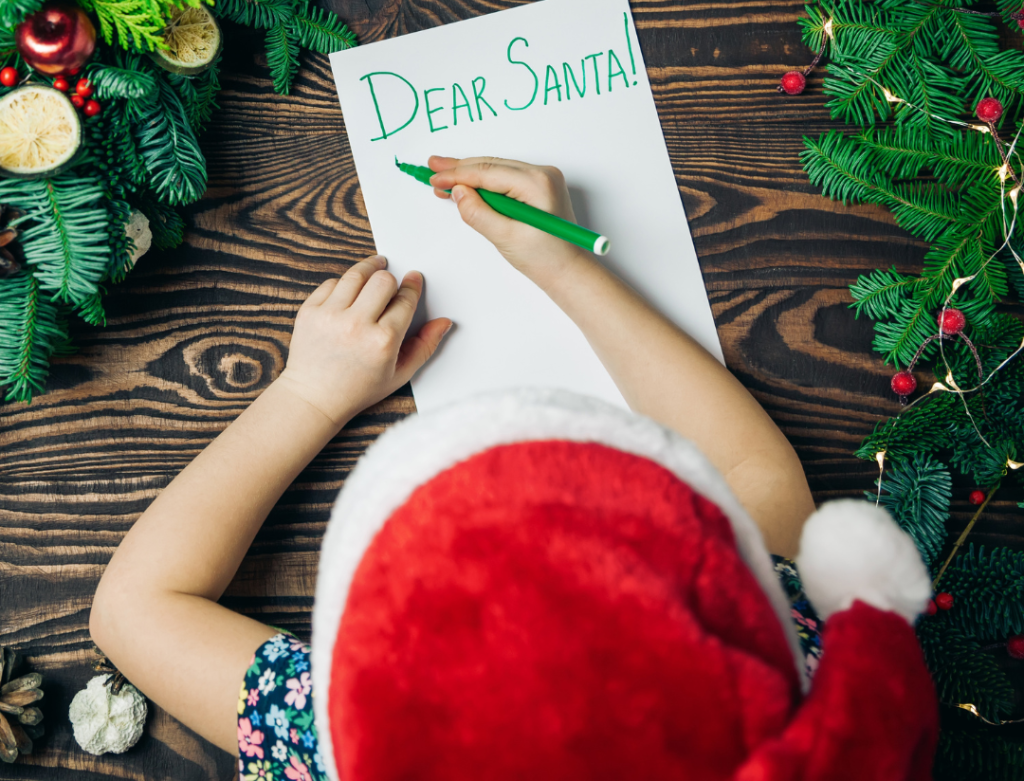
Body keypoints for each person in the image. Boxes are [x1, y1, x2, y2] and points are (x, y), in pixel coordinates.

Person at [89, 157, 936, 781]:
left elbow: (134, 609)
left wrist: (310, 394)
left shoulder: (355, 742)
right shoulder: (795, 692)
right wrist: (566, 262)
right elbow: (751, 471)